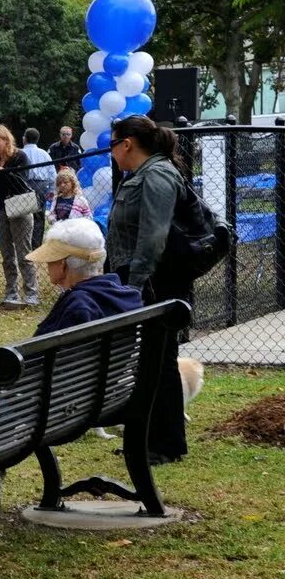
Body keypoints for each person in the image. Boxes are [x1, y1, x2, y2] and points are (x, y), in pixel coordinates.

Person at [105, 114, 189, 464]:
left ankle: (165, 444)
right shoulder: (144, 174)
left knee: (160, 359)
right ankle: (148, 437)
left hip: (153, 283)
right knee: (150, 359)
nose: (111, 152)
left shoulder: (157, 175)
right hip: (140, 281)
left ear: (127, 144)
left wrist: (136, 286)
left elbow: (154, 236)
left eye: (112, 144)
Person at [27, 217, 142, 336]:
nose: (47, 264)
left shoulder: (78, 309)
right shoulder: (128, 297)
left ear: (63, 265)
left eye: (51, 259)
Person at [0, 124, 40, 308]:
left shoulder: (20, 156)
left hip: (20, 207)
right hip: (0, 209)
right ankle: (11, 292)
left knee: (24, 253)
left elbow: (21, 183)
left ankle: (31, 293)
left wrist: (1, 171)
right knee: (7, 254)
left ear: (6, 140)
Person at [21, 128, 57, 252]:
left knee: (24, 215)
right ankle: (36, 245)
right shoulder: (44, 154)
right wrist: (51, 189)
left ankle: (23, 242)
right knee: (39, 216)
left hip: (25, 185)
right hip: (41, 186)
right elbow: (52, 173)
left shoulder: (20, 153)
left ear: (25, 138)